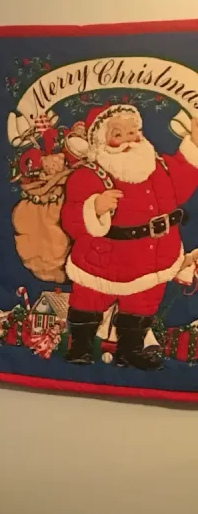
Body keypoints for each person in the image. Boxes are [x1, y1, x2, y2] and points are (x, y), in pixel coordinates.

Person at [60, 103, 198, 369]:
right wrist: (95, 207)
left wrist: (194, 143)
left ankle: (130, 349)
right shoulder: (89, 174)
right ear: (101, 141)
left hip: (153, 256)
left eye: (133, 132)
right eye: (118, 134)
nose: (129, 140)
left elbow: (182, 179)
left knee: (143, 303)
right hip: (102, 259)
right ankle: (80, 345)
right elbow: (72, 217)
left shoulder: (157, 165)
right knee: (89, 301)